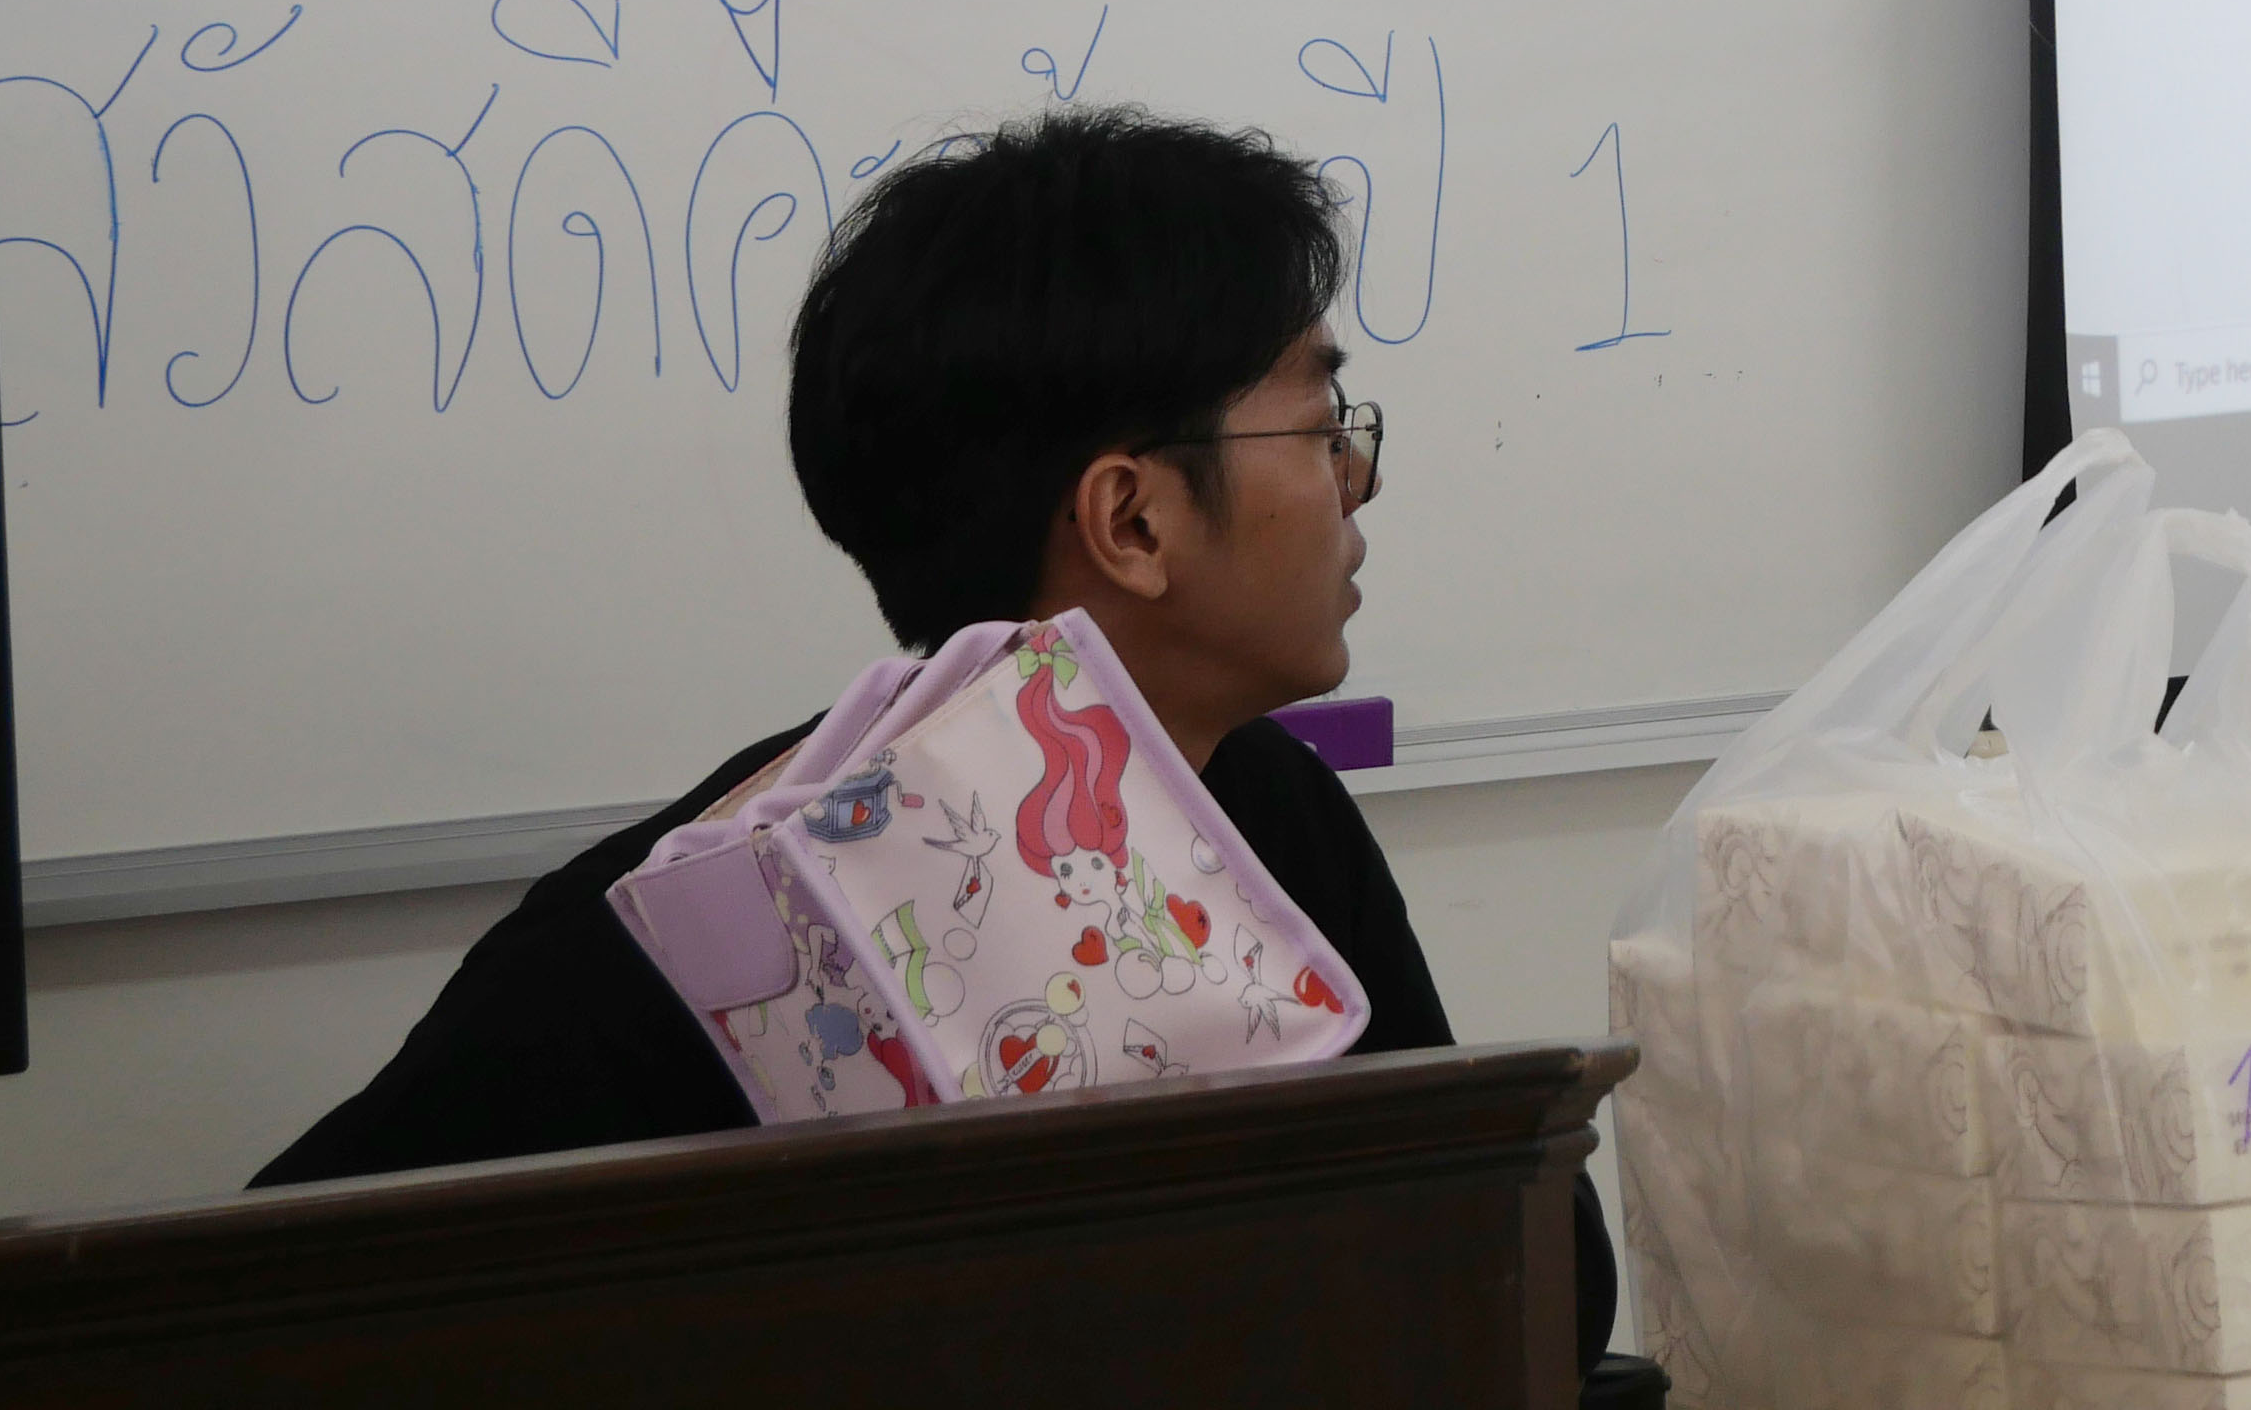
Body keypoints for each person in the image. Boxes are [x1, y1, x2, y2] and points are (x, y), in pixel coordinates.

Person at [260, 106, 1638, 1386]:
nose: (1359, 477)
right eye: (1322, 426)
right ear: (1133, 521)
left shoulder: (1266, 800)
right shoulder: (695, 930)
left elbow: (1523, 1275)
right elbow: (246, 1321)